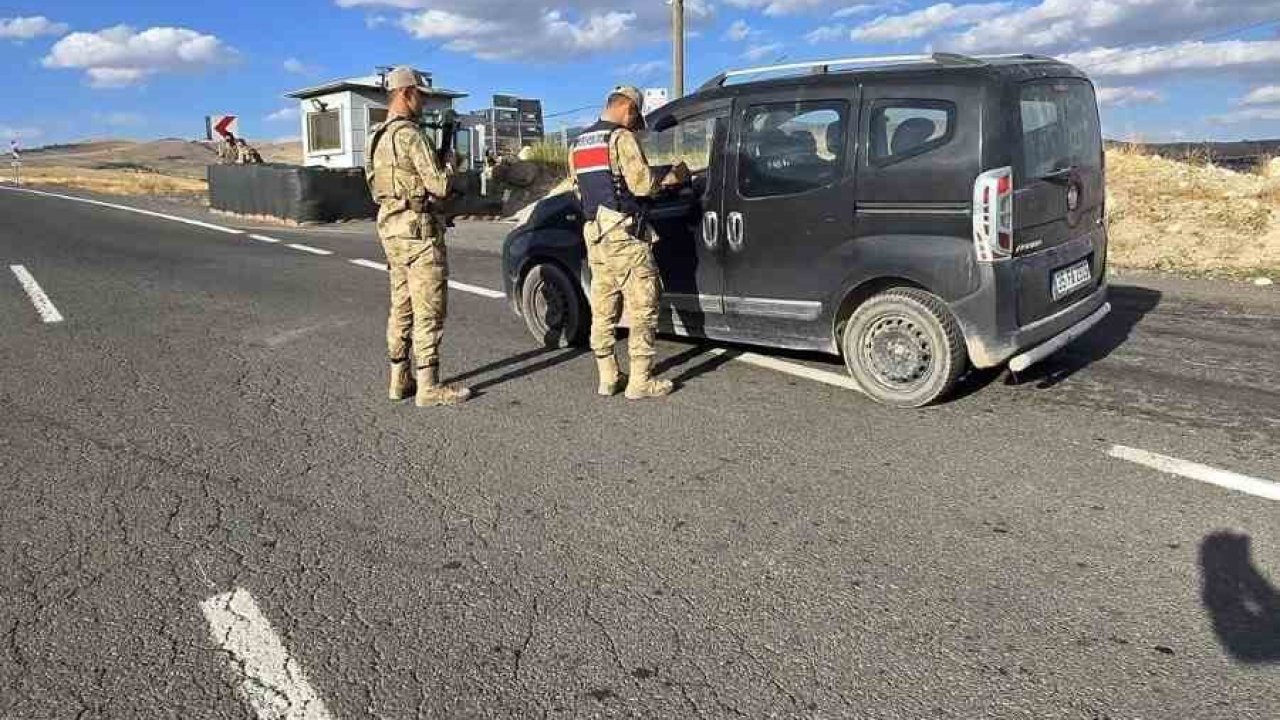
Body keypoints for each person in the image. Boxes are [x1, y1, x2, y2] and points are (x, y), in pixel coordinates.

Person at [570, 85, 689, 399]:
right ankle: (640, 381)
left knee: (603, 311)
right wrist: (672, 177)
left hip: (596, 235)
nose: (636, 125)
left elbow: (579, 192)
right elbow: (642, 185)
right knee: (642, 308)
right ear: (628, 108)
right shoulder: (620, 138)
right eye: (636, 118)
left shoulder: (578, 143)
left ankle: (608, 378)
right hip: (625, 235)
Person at [365, 66, 471, 407]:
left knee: (402, 306)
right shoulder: (411, 135)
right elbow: (438, 185)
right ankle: (429, 386)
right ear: (406, 93)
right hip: (419, 232)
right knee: (429, 308)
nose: (424, 103)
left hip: (392, 230)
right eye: (421, 97)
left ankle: (399, 378)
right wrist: (451, 164)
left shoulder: (376, 138)